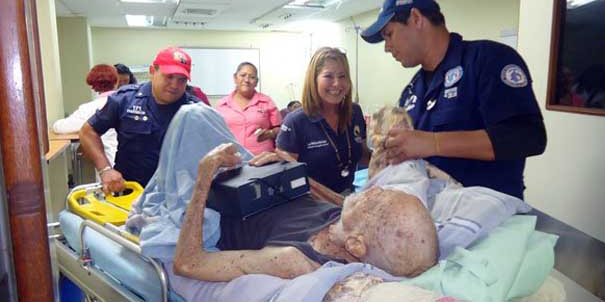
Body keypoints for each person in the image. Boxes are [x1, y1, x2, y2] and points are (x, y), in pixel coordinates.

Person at [360, 0, 546, 199]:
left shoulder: (487, 60)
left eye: (389, 35)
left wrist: (434, 143)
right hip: (435, 215)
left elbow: (528, 136)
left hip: (491, 216)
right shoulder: (411, 92)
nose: (387, 47)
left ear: (416, 18)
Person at [173, 142, 438, 282]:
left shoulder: (293, 260)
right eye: (386, 191)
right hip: (256, 179)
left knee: (192, 115)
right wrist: (295, 169)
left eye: (378, 202)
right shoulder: (350, 228)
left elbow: (188, 263)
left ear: (356, 245)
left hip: (217, 196)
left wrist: (204, 175)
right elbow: (337, 203)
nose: (374, 190)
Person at [80, 47, 200, 192]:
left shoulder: (196, 110)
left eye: (182, 80)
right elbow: (88, 132)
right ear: (152, 71)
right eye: (169, 77)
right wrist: (105, 169)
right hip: (130, 191)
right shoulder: (125, 100)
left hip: (175, 195)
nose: (174, 85)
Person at [277, 47, 369, 194]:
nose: (337, 83)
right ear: (314, 79)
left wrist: (389, 153)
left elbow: (363, 155)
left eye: (342, 76)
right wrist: (333, 200)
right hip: (311, 206)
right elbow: (287, 179)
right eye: (328, 76)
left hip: (348, 197)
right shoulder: (296, 121)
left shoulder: (355, 112)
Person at [53, 64, 119, 168]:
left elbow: (59, 127)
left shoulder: (89, 109)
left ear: (93, 86)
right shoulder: (128, 103)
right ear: (116, 82)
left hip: (109, 165)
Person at [216, 62, 281, 155]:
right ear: (235, 77)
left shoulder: (266, 101)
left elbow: (279, 128)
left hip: (262, 159)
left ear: (256, 82)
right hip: (231, 159)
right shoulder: (222, 104)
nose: (246, 80)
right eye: (242, 75)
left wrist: (271, 133)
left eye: (252, 77)